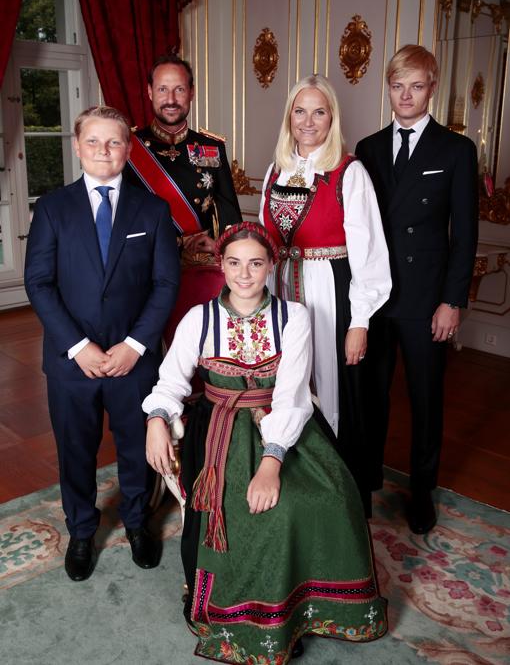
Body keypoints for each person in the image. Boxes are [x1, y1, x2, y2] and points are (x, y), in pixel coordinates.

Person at [142, 222, 387, 664]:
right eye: (234, 263)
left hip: (281, 424)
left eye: (256, 263)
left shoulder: (292, 316)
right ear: (222, 265)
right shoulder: (199, 318)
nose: (244, 274)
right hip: (217, 427)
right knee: (248, 510)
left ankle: (307, 606)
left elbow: (292, 395)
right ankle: (250, 613)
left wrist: (271, 464)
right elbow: (170, 382)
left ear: (271, 266)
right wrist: (156, 420)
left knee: (330, 495)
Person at [24, 106, 180, 581]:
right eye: (93, 142)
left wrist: (135, 344)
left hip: (134, 358)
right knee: (76, 448)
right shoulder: (52, 208)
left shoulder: (152, 210)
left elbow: (165, 285)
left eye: (113, 142)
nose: (103, 151)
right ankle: (81, 530)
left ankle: (137, 523)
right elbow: (38, 282)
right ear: (77, 146)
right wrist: (77, 346)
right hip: (73, 360)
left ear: (128, 149)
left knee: (137, 446)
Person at [355, 45, 478, 534]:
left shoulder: (455, 150)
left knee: (426, 398)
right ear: (388, 88)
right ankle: (365, 481)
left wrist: (453, 301)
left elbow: (464, 234)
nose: (405, 95)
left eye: (416, 86)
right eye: (397, 85)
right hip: (374, 297)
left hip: (427, 298)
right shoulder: (367, 148)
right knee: (370, 396)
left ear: (432, 87)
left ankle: (422, 490)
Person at [259, 74, 391, 514]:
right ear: (289, 117)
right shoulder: (275, 169)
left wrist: (359, 322)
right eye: (300, 111)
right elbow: (264, 241)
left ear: (331, 117)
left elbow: (369, 253)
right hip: (282, 288)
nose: (308, 121)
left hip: (331, 291)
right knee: (287, 387)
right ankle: (293, 486)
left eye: (319, 111)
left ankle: (339, 500)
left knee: (332, 393)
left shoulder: (348, 171)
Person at [124, 53, 242, 344]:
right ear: (150, 92)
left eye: (179, 89)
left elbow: (230, 214)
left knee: (207, 347)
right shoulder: (129, 148)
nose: (171, 98)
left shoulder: (211, 147)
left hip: (201, 269)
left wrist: (219, 245)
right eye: (162, 89)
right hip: (147, 270)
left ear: (191, 92)